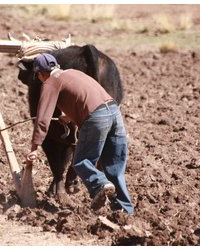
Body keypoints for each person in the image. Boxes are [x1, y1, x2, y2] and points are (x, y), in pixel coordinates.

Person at [26, 53, 134, 214]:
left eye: (39, 76)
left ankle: (100, 185)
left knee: (81, 161)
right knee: (114, 165)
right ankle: (125, 210)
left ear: (41, 73)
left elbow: (42, 119)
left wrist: (34, 147)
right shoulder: (73, 73)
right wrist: (69, 116)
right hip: (114, 112)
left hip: (96, 118)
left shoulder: (50, 82)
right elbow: (86, 96)